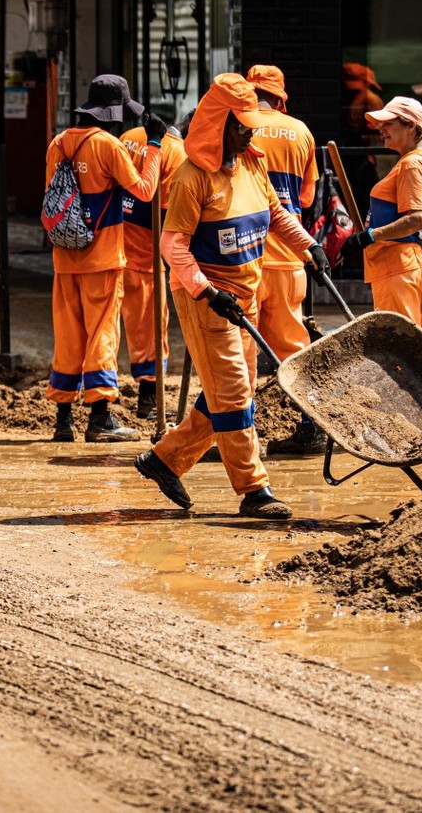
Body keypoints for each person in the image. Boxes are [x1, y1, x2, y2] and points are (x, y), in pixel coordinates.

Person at [132, 73, 330, 521]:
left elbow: (276, 212)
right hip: (207, 301)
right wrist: (206, 290)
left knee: (223, 394)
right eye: (241, 125)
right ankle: (253, 490)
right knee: (236, 394)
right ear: (218, 124)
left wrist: (308, 245)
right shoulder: (190, 179)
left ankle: (164, 459)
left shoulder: (251, 163)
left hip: (247, 295)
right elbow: (173, 246)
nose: (250, 131)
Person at [44, 74, 165, 444]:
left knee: (67, 335)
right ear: (113, 115)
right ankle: (99, 417)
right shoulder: (108, 146)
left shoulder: (58, 143)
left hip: (65, 257)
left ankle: (63, 419)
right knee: (102, 335)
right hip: (103, 258)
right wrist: (156, 145)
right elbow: (144, 191)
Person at [244, 64, 326, 456]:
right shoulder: (301, 132)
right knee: (295, 351)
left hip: (244, 258)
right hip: (290, 258)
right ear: (280, 98)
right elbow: (306, 200)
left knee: (241, 352)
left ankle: (243, 436)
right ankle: (313, 427)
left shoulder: (238, 126)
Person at [339, 96, 422, 335]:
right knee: (418, 342)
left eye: (389, 123)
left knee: (399, 344)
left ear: (410, 126)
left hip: (397, 265)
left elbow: (417, 218)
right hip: (409, 263)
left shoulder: (413, 165)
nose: (382, 129)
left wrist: (369, 236)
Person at [118, 117, 186, 421]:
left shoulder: (128, 136)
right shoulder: (177, 153)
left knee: (105, 332)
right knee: (149, 331)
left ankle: (94, 406)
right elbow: (168, 216)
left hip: (112, 247)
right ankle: (148, 402)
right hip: (146, 258)